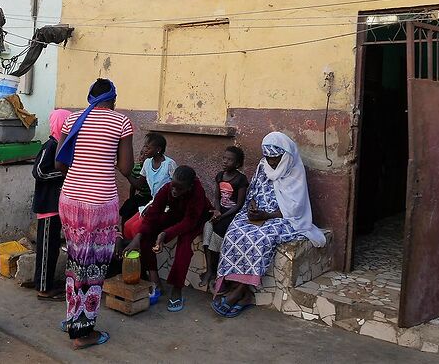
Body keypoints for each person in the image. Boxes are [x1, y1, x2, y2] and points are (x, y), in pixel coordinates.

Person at [55, 78, 133, 349]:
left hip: (70, 201)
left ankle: (72, 318)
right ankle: (82, 333)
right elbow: (125, 167)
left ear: (90, 97)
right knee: (94, 266)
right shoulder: (121, 122)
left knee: (76, 261)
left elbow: (59, 161)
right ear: (114, 99)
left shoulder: (72, 120)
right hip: (100, 204)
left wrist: (78, 181)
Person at [212, 132, 326, 318]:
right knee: (235, 231)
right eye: (269, 158)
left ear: (285, 156)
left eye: (275, 159)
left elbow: (295, 209)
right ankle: (240, 290)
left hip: (283, 218)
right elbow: (254, 191)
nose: (272, 163)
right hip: (261, 214)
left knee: (262, 238)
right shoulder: (263, 165)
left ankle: (239, 292)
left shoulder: (295, 170)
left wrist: (268, 215)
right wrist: (253, 208)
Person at [125, 166, 211, 312]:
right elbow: (153, 213)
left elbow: (189, 221)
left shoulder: (197, 192)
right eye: (173, 186)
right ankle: (155, 279)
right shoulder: (167, 188)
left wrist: (166, 233)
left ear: (189, 187)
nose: (175, 191)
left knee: (184, 245)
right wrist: (137, 237)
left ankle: (177, 290)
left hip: (197, 219)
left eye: (179, 189)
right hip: (176, 214)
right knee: (147, 233)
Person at [31, 108, 71, 301]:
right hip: (47, 207)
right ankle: (43, 288)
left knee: (52, 247)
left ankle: (45, 283)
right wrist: (63, 174)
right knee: (46, 249)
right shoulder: (50, 145)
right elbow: (39, 172)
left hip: (56, 206)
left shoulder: (61, 146)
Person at [200, 146, 248, 290]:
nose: (225, 161)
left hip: (232, 214)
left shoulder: (241, 179)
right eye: (224, 158)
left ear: (238, 164)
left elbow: (239, 205)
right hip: (220, 212)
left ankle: (215, 271)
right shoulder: (220, 176)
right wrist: (216, 211)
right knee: (208, 227)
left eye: (230, 160)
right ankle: (209, 270)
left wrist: (222, 216)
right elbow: (217, 197)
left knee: (218, 230)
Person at [129, 133, 176, 199]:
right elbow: (139, 185)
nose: (145, 150)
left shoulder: (169, 164)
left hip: (168, 200)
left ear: (158, 149)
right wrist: (127, 174)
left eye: (148, 148)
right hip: (155, 200)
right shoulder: (147, 162)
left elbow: (175, 186)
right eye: (145, 146)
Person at [119, 146, 152, 227]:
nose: (142, 157)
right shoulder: (136, 168)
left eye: (145, 155)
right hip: (140, 195)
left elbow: (140, 186)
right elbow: (133, 185)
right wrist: (131, 198)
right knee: (127, 207)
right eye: (141, 154)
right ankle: (124, 232)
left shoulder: (151, 168)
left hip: (150, 197)